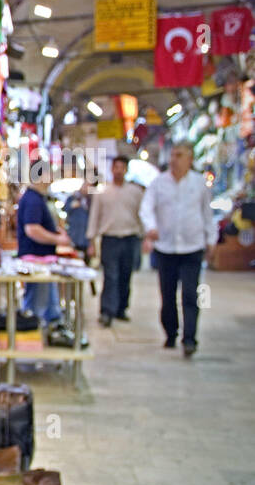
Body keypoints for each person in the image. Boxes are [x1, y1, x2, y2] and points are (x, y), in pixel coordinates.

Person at [141, 142, 215, 357]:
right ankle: (171, 332)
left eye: (179, 155)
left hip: (192, 247)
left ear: (190, 159)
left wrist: (211, 240)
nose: (174, 159)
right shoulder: (159, 183)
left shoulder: (199, 184)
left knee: (191, 294)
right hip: (166, 248)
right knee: (168, 294)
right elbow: (146, 207)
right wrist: (151, 227)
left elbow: (207, 215)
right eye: (173, 155)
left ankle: (190, 338)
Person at [87, 155, 144, 327]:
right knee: (110, 275)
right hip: (110, 238)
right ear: (112, 169)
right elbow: (94, 217)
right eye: (116, 167)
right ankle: (107, 311)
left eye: (122, 167)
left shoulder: (136, 192)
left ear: (126, 169)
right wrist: (91, 240)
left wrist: (145, 237)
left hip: (130, 238)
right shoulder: (102, 192)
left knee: (125, 275)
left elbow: (142, 216)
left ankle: (121, 308)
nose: (118, 171)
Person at [15, 173, 69, 329]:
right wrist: (57, 239)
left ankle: (50, 328)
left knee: (46, 304)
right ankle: (33, 338)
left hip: (41, 259)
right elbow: (32, 229)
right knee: (36, 307)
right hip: (36, 260)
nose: (51, 178)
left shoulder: (36, 198)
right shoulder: (33, 200)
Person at [63, 179, 94, 263]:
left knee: (86, 265)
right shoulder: (72, 198)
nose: (87, 188)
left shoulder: (91, 201)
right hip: (73, 237)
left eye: (89, 186)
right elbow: (65, 209)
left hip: (85, 239)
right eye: (86, 185)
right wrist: (72, 206)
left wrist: (91, 244)